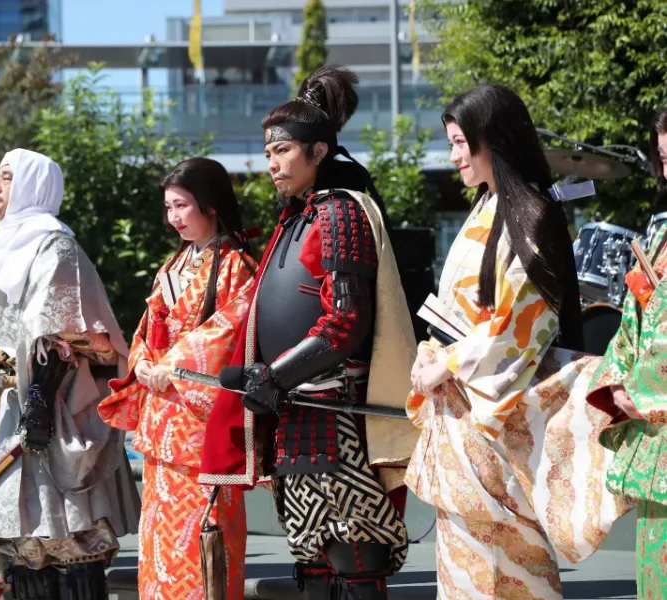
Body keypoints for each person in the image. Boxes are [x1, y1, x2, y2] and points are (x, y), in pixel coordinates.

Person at [198, 66, 417, 600]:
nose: (271, 164)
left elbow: (346, 322)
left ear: (318, 152)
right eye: (268, 153)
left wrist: (273, 374)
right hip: (293, 415)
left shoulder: (341, 213)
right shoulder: (296, 218)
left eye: (283, 152)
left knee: (354, 553)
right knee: (311, 557)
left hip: (337, 414)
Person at [406, 85, 631, 599]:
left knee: (509, 557)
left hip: (491, 412)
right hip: (464, 409)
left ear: (495, 140)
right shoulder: (486, 207)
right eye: (453, 143)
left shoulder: (531, 209)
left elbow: (526, 317)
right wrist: (432, 357)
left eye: (463, 142)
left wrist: (449, 363)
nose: (455, 155)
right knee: (463, 557)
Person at [0, 148, 140, 600]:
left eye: (6, 178)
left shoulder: (56, 246)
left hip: (50, 413)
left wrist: (38, 404)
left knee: (71, 546)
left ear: (32, 185)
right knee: (22, 552)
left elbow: (63, 333)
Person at [98, 157, 257, 600]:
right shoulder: (172, 266)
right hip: (163, 419)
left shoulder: (236, 266)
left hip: (203, 424)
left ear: (210, 205)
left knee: (205, 539)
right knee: (160, 543)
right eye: (168, 207)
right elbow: (149, 326)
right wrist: (144, 361)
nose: (173, 218)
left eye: (182, 206)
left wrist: (172, 367)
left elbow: (231, 329)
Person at [585, 107, 667, 598]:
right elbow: (635, 319)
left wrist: (649, 393)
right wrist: (620, 379)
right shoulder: (660, 232)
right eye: (664, 157)